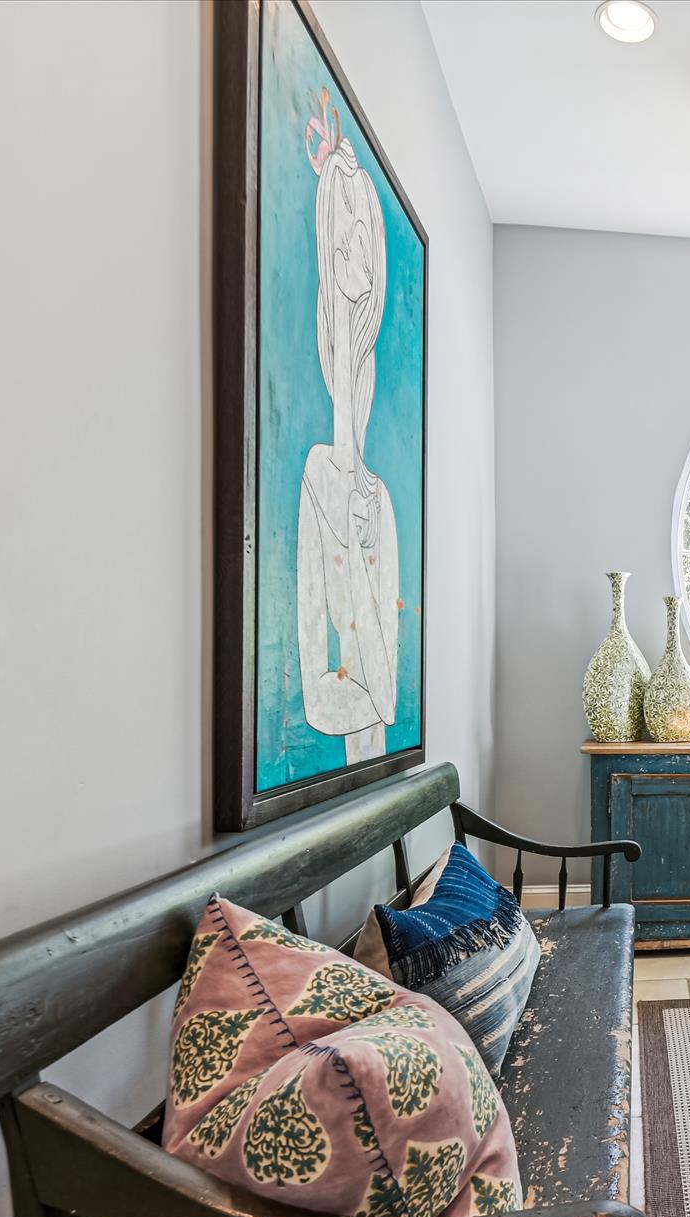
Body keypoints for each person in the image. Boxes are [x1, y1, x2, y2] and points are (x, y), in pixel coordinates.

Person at [296, 90, 399, 763]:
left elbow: (382, 680)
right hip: (339, 705)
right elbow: (315, 649)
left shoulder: (378, 496)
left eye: (366, 229)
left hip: (362, 494)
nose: (355, 247)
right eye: (345, 229)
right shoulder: (320, 476)